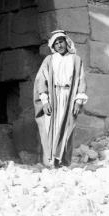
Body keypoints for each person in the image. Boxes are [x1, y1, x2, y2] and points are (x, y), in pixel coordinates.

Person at [33, 30, 88, 168]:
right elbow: (42, 80)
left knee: (67, 127)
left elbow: (81, 79)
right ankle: (49, 162)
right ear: (53, 46)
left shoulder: (76, 60)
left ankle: (63, 163)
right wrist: (45, 101)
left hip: (68, 98)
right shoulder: (49, 60)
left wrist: (78, 100)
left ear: (66, 42)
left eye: (61, 42)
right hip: (53, 97)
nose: (59, 45)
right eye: (56, 43)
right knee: (50, 127)